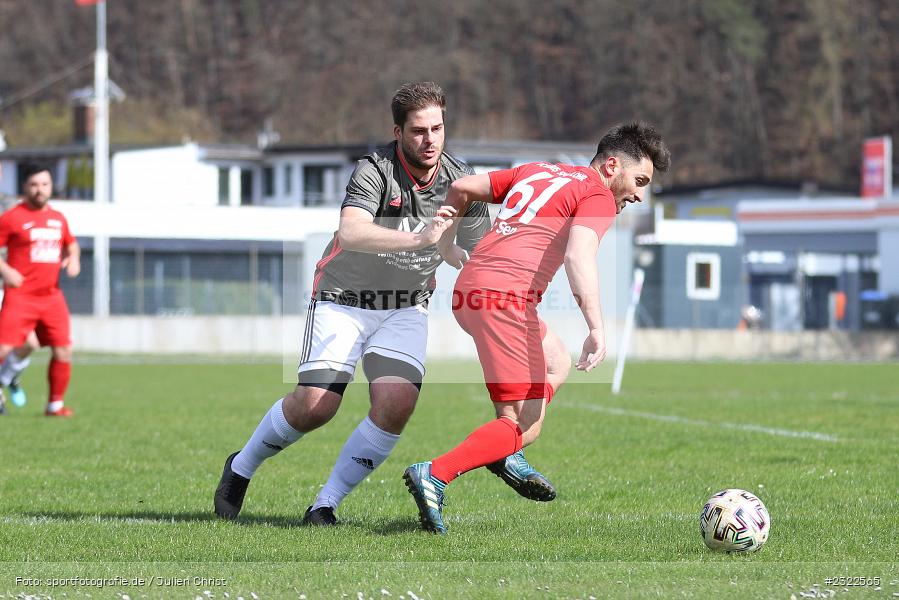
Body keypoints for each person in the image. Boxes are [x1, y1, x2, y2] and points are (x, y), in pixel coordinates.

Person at [214, 82, 556, 526]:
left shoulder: (463, 181)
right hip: (343, 299)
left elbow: (479, 254)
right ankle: (240, 468)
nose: (430, 139)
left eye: (437, 128)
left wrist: (508, 304)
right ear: (398, 132)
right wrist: (421, 238)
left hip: (406, 304)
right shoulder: (374, 171)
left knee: (396, 403)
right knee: (316, 405)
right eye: (418, 130)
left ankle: (325, 505)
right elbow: (352, 232)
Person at [403, 122, 671, 533]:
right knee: (525, 425)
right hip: (504, 300)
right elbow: (579, 258)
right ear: (612, 165)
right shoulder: (596, 193)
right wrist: (597, 327)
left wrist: (445, 244)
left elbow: (460, 189)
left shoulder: (538, 170)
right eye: (638, 181)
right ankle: (437, 473)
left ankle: (504, 452)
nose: (638, 194)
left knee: (556, 363)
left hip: (475, 288)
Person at [0, 162, 80, 417]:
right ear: (25, 187)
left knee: (64, 349)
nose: (39, 190)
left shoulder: (57, 219)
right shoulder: (13, 217)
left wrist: (73, 258)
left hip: (51, 296)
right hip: (20, 296)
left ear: (50, 186)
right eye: (34, 185)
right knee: (3, 347)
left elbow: (72, 244)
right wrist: (6, 270)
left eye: (44, 184)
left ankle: (54, 405)